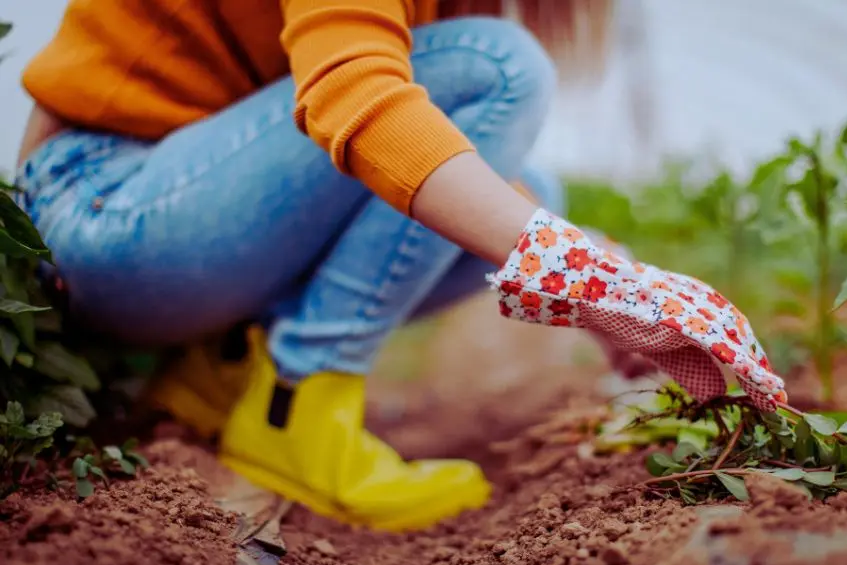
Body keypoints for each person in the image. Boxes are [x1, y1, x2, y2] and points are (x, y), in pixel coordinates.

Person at [16, 0, 786, 532]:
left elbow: (426, 155)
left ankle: (220, 371)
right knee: (496, 67)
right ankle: (298, 407)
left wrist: (614, 270)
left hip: (168, 226)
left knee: (522, 192)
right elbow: (358, 97)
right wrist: (595, 287)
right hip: (103, 208)